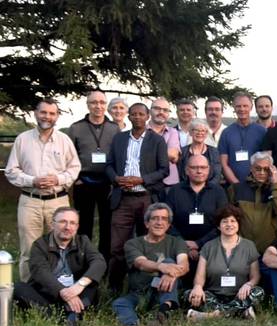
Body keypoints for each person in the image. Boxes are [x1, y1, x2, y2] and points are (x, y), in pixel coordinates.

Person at [6, 99, 80, 282]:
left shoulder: (64, 141)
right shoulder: (22, 139)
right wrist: (33, 181)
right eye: (43, 112)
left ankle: (58, 287)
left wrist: (58, 179)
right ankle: (28, 292)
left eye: (52, 113)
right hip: (30, 201)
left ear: (57, 116)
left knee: (60, 246)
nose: (47, 116)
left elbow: (74, 168)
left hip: (58, 201)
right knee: (29, 249)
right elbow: (11, 171)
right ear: (36, 113)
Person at [105, 102, 169, 293]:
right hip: (122, 199)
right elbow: (108, 165)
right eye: (133, 114)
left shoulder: (156, 140)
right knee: (117, 246)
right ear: (128, 117)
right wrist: (116, 179)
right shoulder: (119, 139)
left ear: (147, 116)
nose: (137, 117)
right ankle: (114, 287)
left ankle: (141, 286)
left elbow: (164, 170)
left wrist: (141, 179)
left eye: (141, 114)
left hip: (146, 199)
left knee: (146, 245)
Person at [13, 207, 105, 326]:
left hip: (77, 292)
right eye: (63, 222)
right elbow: (40, 271)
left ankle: (70, 317)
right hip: (49, 294)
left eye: (72, 223)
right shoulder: (40, 245)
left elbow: (99, 262)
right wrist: (63, 291)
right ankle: (65, 318)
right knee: (18, 287)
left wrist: (79, 285)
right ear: (52, 224)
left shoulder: (83, 241)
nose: (68, 227)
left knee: (92, 285)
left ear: (77, 227)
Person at [112, 203, 189, 326]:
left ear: (169, 225)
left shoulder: (177, 242)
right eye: (155, 218)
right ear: (147, 223)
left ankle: (163, 312)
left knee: (170, 261)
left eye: (164, 219)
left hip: (162, 293)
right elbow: (141, 263)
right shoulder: (133, 243)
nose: (159, 222)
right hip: (139, 294)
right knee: (119, 303)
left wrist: (171, 273)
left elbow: (184, 265)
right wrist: (162, 267)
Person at [186, 206, 264, 320]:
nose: (229, 224)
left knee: (258, 292)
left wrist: (249, 284)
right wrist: (197, 287)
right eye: (225, 221)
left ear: (238, 224)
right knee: (189, 294)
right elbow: (200, 275)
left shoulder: (249, 246)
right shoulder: (208, 246)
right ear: (218, 226)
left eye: (233, 221)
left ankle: (212, 315)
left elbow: (255, 276)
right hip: (214, 295)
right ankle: (238, 312)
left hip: (239, 294)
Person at [68, 91, 119, 261]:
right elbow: (69, 156)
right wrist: (75, 179)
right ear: (88, 105)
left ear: (106, 105)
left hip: (107, 183)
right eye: (94, 102)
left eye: (102, 102)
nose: (98, 106)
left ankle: (103, 263)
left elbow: (118, 156)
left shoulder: (114, 128)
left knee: (107, 225)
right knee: (84, 224)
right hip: (84, 182)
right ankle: (83, 260)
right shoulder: (76, 128)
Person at [165, 155, 229, 282]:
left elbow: (223, 223)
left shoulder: (218, 192)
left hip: (211, 246)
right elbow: (167, 222)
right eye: (194, 167)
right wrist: (183, 244)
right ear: (186, 170)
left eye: (203, 167)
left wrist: (198, 244)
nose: (199, 171)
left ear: (209, 170)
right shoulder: (175, 191)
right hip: (178, 246)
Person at [227, 151, 277, 255]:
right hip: (241, 249)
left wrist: (275, 185)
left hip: (268, 250)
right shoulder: (236, 189)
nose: (262, 172)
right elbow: (228, 219)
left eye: (266, 169)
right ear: (251, 168)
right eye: (258, 168)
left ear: (272, 170)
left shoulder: (276, 189)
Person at [219, 92, 268, 185]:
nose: (242, 109)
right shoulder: (226, 133)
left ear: (251, 107)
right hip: (234, 187)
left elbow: (266, 161)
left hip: (258, 186)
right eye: (238, 106)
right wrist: (236, 184)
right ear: (234, 107)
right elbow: (223, 164)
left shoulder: (262, 131)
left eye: (245, 106)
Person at [148, 98, 182, 188]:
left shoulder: (173, 132)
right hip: (145, 181)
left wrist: (146, 155)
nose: (161, 112)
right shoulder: (140, 131)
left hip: (168, 183)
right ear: (150, 111)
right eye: (157, 108)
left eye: (165, 110)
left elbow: (173, 155)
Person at [178, 120, 222, 185]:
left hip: (210, 190)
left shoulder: (214, 152)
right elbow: (180, 174)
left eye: (203, 131)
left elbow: (217, 175)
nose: (199, 133)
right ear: (190, 132)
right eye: (196, 130)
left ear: (206, 134)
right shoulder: (183, 152)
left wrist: (206, 189)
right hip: (186, 189)